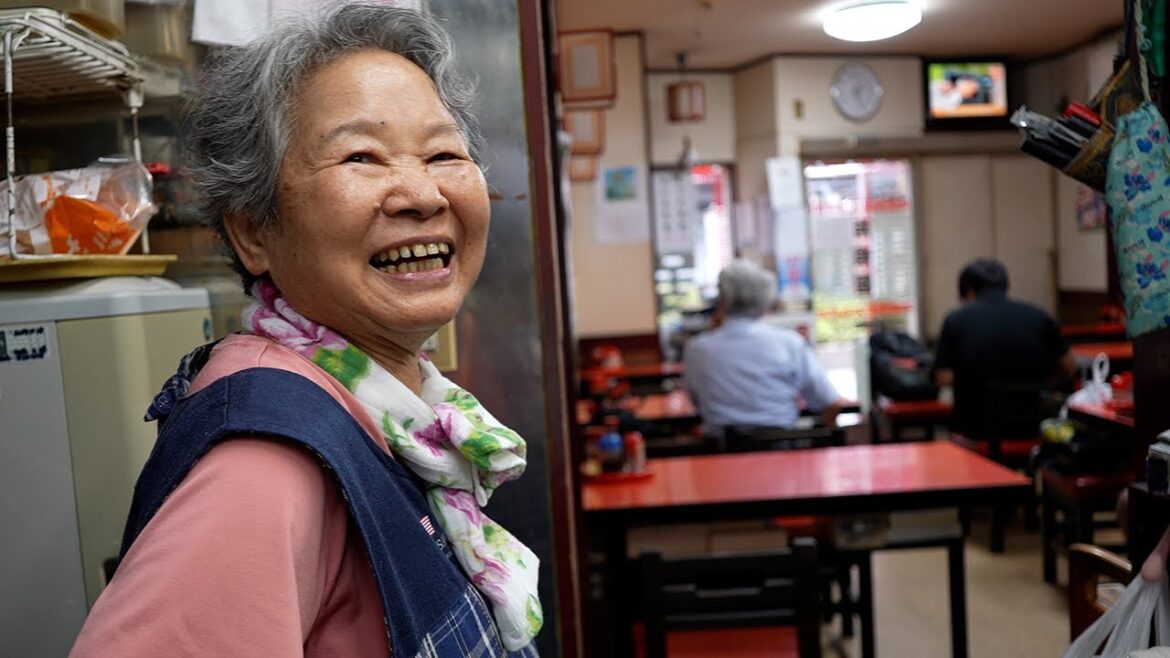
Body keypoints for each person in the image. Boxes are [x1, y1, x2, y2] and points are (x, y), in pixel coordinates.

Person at [70, 5, 541, 657]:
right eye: (362, 156)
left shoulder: (390, 413)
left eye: (442, 153)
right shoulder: (265, 463)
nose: (421, 193)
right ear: (253, 230)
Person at [683, 259, 844, 430]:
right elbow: (830, 402)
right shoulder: (789, 343)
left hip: (721, 451)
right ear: (766, 298)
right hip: (782, 448)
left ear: (722, 299)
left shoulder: (697, 349)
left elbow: (695, 401)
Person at [934, 258, 1076, 438]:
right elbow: (1070, 367)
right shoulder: (1039, 316)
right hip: (1034, 428)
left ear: (968, 291)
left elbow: (943, 377)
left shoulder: (956, 319)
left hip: (975, 430)